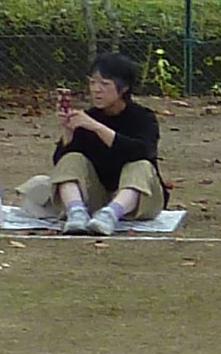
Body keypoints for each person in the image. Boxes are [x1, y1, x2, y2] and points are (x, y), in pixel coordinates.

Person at [19, 50, 163, 235]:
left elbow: (142, 151)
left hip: (140, 199)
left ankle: (111, 215)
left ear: (124, 88)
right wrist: (68, 131)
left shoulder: (143, 117)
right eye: (92, 82)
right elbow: (62, 165)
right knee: (72, 158)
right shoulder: (88, 117)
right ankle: (76, 213)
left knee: (141, 166)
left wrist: (97, 128)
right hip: (97, 198)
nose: (96, 89)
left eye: (104, 84)